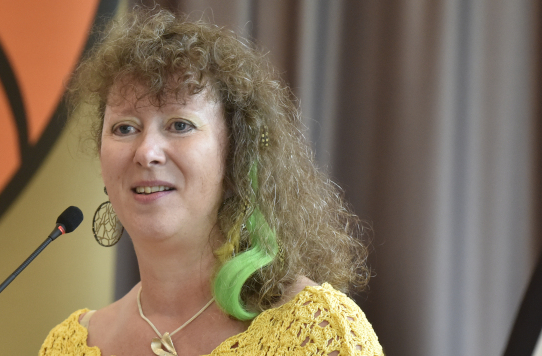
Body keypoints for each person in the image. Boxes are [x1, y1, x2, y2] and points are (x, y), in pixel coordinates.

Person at [40, 8, 382, 356]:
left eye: (179, 125)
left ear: (236, 155)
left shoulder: (319, 333)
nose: (147, 153)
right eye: (124, 128)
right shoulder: (65, 346)